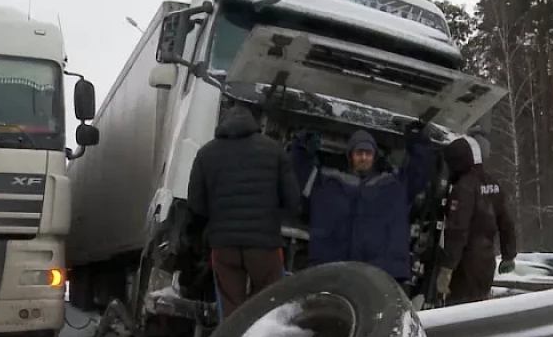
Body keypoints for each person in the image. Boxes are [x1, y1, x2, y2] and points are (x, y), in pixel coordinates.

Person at [186, 104, 302, 320]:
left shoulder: (205, 154)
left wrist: (216, 220)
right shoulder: (273, 150)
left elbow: (196, 204)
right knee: (268, 304)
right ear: (254, 124)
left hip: (224, 246)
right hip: (265, 245)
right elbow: (293, 200)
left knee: (231, 308)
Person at [290, 122, 434, 285]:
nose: (364, 157)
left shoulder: (394, 185)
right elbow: (299, 172)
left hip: (381, 272)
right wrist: (302, 143)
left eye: (368, 153)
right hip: (332, 269)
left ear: (375, 156)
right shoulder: (327, 183)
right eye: (359, 152)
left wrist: (418, 140)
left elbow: (420, 171)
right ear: (350, 155)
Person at [435, 127, 517, 305]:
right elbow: (506, 222)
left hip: (465, 266)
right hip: (487, 262)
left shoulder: (463, 188)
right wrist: (508, 254)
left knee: (459, 313)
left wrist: (447, 269)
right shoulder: (493, 183)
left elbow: (458, 231)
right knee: (479, 308)